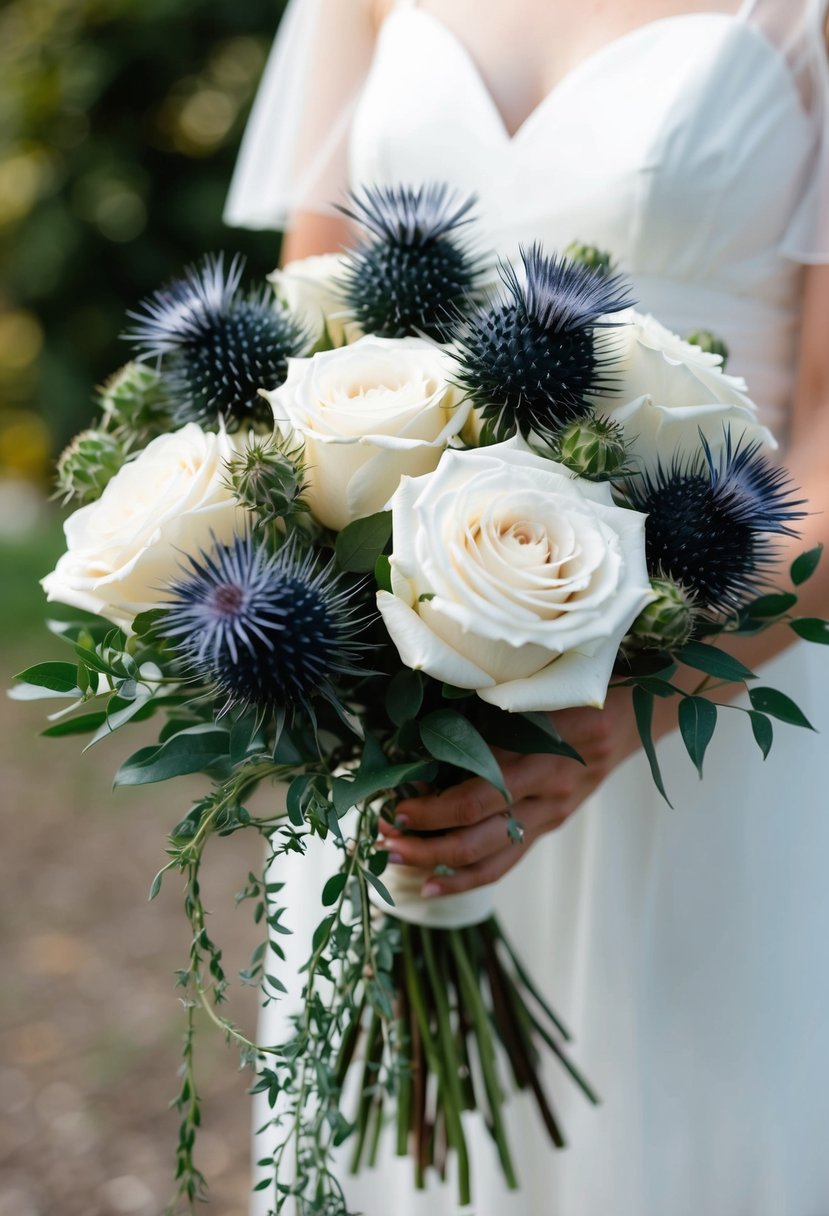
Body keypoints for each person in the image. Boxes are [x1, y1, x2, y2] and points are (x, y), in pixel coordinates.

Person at [225, 1, 829, 1211]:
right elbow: (305, 343)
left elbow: (822, 424)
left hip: (704, 694)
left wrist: (635, 706)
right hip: (388, 681)